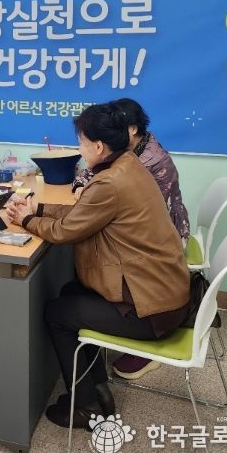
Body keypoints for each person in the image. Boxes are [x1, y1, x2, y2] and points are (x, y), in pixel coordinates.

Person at [7, 102, 190, 429]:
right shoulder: (127, 165)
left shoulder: (110, 182)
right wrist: (39, 209)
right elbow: (85, 214)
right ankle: (98, 389)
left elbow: (66, 231)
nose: (79, 149)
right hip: (161, 291)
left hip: (151, 309)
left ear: (99, 146)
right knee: (70, 291)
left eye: (80, 142)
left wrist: (26, 219)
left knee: (57, 313)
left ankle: (86, 406)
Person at [73, 98, 190, 381]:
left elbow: (136, 215)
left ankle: (141, 333)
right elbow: (89, 173)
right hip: (141, 240)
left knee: (92, 253)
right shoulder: (124, 154)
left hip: (160, 241)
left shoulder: (149, 161)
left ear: (133, 129)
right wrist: (82, 187)